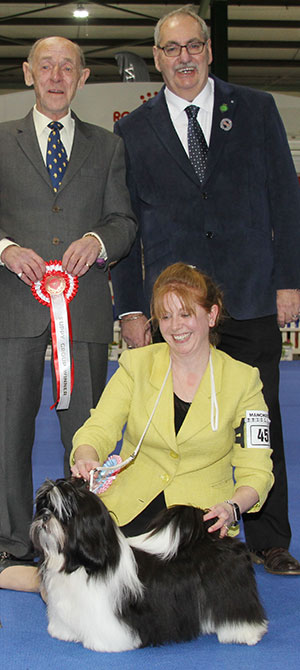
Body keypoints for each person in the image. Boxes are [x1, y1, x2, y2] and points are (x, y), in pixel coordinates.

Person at [111, 5, 300, 575]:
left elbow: (285, 201)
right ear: (158, 59)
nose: (184, 58)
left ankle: (269, 537)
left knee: (257, 419)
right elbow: (126, 222)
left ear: (210, 51)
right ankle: (183, 530)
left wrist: (289, 279)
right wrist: (129, 308)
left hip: (248, 293)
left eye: (193, 46)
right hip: (173, 312)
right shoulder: (132, 130)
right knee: (177, 425)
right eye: (171, 49)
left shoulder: (258, 109)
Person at [0, 262, 274, 591]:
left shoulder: (244, 380)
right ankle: (33, 579)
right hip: (133, 508)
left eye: (186, 314)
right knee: (87, 586)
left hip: (197, 522)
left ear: (211, 315)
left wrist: (232, 507)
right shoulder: (137, 364)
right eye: (166, 316)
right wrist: (86, 454)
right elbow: (99, 427)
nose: (176, 326)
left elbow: (257, 470)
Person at [0, 36, 137, 578]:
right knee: (7, 430)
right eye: (47, 66)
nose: (57, 76)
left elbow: (124, 223)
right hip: (12, 309)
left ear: (82, 79)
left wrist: (98, 243)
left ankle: (79, 546)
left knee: (86, 436)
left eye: (69, 68)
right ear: (29, 73)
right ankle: (11, 541)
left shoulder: (109, 146)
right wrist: (5, 250)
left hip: (82, 314)